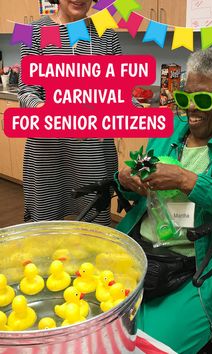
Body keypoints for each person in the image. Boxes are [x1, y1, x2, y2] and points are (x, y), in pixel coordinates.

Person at [116, 46, 212, 354]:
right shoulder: (169, 127)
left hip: (198, 268)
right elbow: (139, 171)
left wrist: (187, 181)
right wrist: (127, 179)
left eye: (204, 100)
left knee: (147, 347)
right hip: (140, 253)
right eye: (185, 97)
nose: (190, 109)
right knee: (99, 328)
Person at [18, 0, 122, 224]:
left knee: (94, 225)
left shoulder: (107, 35)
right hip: (48, 153)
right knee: (45, 225)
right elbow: (27, 92)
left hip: (93, 152)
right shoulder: (35, 32)